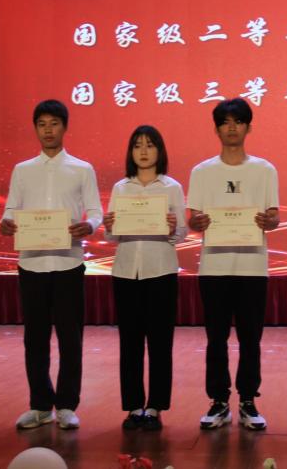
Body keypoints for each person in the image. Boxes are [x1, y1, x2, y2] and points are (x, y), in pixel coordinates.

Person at [0, 100, 102, 430]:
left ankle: (67, 405)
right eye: (42, 124)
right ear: (35, 128)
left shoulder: (82, 169)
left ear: (64, 127)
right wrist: (6, 222)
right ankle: (41, 406)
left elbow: (96, 211)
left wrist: (89, 226)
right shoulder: (22, 170)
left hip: (68, 262)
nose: (48, 130)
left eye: (54, 123)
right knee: (35, 339)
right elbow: (11, 209)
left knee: (70, 338)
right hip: (32, 264)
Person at [187, 98, 279, 430]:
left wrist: (269, 222)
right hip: (214, 267)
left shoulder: (264, 170)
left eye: (238, 121)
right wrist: (197, 223)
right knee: (216, 338)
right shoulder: (202, 171)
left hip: (252, 267)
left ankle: (249, 401)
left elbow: (273, 216)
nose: (231, 128)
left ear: (248, 127)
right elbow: (193, 218)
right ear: (216, 129)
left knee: (251, 339)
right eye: (225, 122)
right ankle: (219, 401)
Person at [102, 125, 186, 431]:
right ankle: (134, 405)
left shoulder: (172, 187)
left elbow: (182, 233)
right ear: (131, 152)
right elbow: (112, 236)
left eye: (150, 145)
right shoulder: (121, 188)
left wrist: (174, 226)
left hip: (161, 270)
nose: (144, 151)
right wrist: (109, 225)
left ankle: (155, 407)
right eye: (138, 145)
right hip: (126, 271)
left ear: (159, 151)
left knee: (160, 342)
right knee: (130, 342)